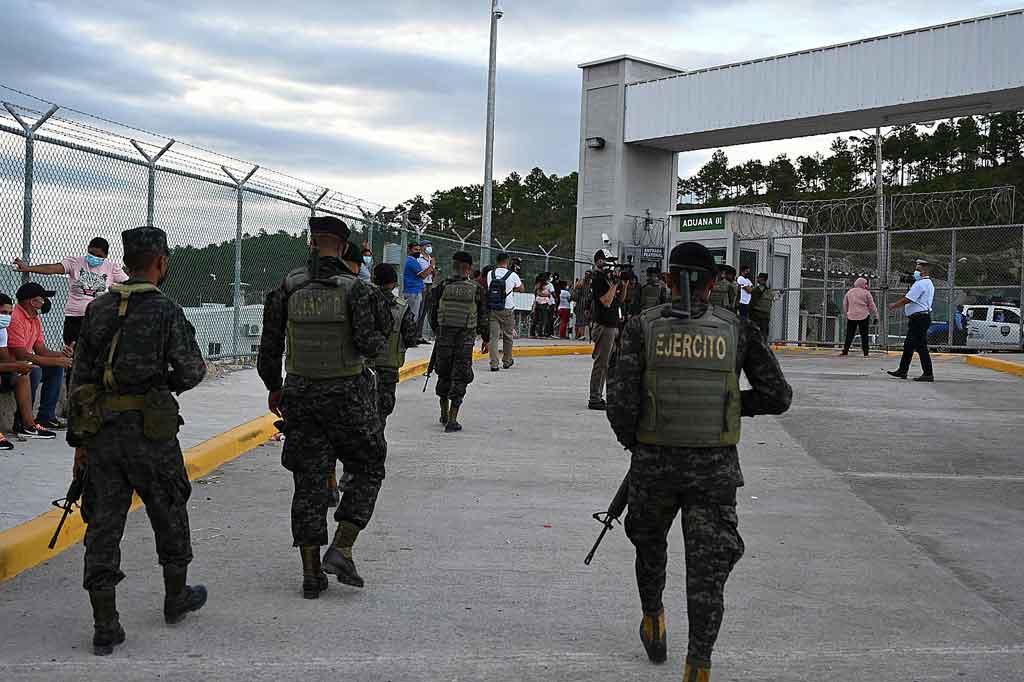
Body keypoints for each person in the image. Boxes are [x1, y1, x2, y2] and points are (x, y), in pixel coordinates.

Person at [606, 241, 792, 682]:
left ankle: (653, 616)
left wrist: (638, 442)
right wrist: (725, 405)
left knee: (650, 549)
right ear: (714, 283)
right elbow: (777, 396)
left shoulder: (640, 326)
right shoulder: (737, 329)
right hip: (714, 470)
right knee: (707, 570)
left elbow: (620, 401)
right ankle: (699, 663)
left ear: (669, 279)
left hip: (653, 464)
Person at [67, 225, 209, 656]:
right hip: (151, 433)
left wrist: (80, 442)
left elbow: (82, 377)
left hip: (104, 433)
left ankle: (104, 624)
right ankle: (175, 596)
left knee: (104, 524)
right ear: (162, 263)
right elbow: (192, 371)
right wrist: (159, 386)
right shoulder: (166, 311)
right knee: (168, 509)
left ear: (126, 263)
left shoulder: (98, 309)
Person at [258, 215, 390, 599]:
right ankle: (343, 546)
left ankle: (311, 573)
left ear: (311, 242)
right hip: (348, 394)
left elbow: (269, 347)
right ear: (344, 246)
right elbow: (370, 343)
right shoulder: (359, 291)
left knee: (309, 480)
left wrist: (274, 387)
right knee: (367, 466)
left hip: (299, 393)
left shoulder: (288, 286)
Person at [14, 237, 129, 349]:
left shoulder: (112, 268)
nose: (94, 257)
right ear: (88, 249)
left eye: (99, 256)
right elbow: (52, 268)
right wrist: (28, 268)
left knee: (97, 353)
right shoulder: (75, 262)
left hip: (98, 317)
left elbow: (129, 283)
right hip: (75, 317)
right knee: (73, 352)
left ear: (106, 256)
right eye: (92, 253)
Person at [427, 251, 489, 432]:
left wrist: (439, 332)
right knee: (460, 376)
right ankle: (452, 419)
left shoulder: (442, 286)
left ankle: (443, 412)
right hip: (465, 340)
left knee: (443, 372)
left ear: (453, 266)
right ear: (469, 268)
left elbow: (432, 314)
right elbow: (483, 316)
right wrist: (486, 338)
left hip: (444, 338)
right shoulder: (477, 289)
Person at [8, 282, 73, 432]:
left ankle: (46, 417)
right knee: (34, 371)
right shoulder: (15, 317)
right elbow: (21, 354)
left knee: (55, 368)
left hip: (24, 362)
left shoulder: (35, 318)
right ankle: (23, 421)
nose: (45, 302)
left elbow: (41, 350)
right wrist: (57, 360)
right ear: (32, 301)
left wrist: (63, 356)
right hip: (12, 364)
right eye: (42, 299)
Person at [371, 262, 418, 428]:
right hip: (389, 363)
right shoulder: (401, 306)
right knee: (383, 406)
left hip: (362, 364)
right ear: (394, 283)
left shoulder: (362, 300)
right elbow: (411, 336)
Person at [888, 259, 935, 382]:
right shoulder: (928, 283)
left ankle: (928, 373)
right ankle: (902, 370)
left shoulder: (920, 284)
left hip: (919, 319)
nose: (915, 272)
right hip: (919, 318)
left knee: (921, 346)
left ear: (924, 272)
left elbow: (908, 299)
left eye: (918, 270)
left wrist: (894, 305)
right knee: (908, 346)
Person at [0, 294, 37, 449]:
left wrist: (20, 366)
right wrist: (15, 366)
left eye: (9, 313)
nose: (7, 317)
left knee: (24, 374)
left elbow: (5, 359)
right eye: (3, 313)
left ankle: (28, 425)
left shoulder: (2, 330)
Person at [588, 249, 621, 410]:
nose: (611, 264)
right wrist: (614, 284)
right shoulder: (598, 280)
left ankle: (610, 396)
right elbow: (606, 301)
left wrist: (622, 283)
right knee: (601, 363)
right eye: (608, 261)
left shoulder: (607, 279)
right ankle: (594, 398)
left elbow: (619, 299)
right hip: (605, 326)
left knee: (612, 364)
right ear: (599, 262)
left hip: (613, 324)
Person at [486, 253, 523, 371]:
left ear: (496, 261)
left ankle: (494, 363)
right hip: (507, 309)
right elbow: (521, 288)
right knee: (508, 336)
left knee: (494, 337)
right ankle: (507, 361)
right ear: (507, 261)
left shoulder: (490, 274)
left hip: (493, 309)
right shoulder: (512, 275)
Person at [402, 241, 434, 345]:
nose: (418, 251)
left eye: (418, 250)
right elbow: (422, 275)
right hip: (412, 292)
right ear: (409, 250)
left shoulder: (414, 260)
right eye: (416, 250)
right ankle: (410, 339)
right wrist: (431, 266)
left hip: (417, 290)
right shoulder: (411, 261)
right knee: (413, 316)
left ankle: (416, 337)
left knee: (418, 315)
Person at [842, 278, 877, 357]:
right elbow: (872, 305)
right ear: (861, 284)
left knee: (849, 334)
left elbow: (845, 304)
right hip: (864, 316)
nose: (866, 285)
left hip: (851, 316)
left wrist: (846, 313)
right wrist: (875, 315)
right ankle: (866, 352)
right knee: (864, 335)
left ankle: (845, 351)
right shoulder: (866, 293)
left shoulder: (849, 292)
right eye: (865, 284)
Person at [415, 239, 436, 343]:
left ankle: (420, 335)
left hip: (430, 284)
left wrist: (433, 269)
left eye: (430, 245)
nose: (429, 248)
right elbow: (422, 274)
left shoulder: (430, 259)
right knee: (419, 309)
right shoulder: (419, 259)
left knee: (424, 311)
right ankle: (414, 334)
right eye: (427, 245)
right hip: (422, 285)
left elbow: (432, 273)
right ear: (422, 247)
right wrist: (431, 267)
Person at [748, 273, 773, 338]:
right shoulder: (769, 291)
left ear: (761, 279)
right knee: (764, 334)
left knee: (755, 333)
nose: (757, 279)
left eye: (758, 278)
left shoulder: (756, 291)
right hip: (766, 316)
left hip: (756, 315)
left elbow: (752, 304)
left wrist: (750, 315)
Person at [531, 274, 555, 338]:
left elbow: (536, 294)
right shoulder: (546, 286)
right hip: (544, 304)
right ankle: (540, 333)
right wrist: (548, 295)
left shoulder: (537, 286)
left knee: (536, 319)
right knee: (543, 319)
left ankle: (533, 333)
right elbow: (550, 294)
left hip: (538, 303)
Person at [573, 272, 592, 340]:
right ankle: (580, 335)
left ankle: (579, 335)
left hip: (583, 302)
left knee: (581, 319)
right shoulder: (582, 282)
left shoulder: (584, 282)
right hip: (582, 302)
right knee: (581, 319)